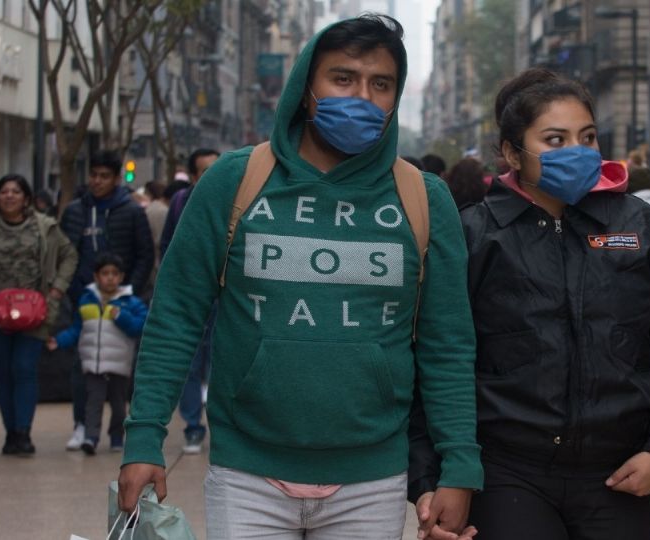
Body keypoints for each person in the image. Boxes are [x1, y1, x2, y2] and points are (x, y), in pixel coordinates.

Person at [117, 14, 482, 539]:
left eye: (380, 84)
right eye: (343, 78)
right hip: (246, 475)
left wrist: (459, 467)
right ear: (306, 89)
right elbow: (175, 317)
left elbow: (448, 346)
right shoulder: (233, 181)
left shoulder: (425, 199)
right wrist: (144, 438)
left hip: (370, 480)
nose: (362, 96)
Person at [409, 68, 650, 540]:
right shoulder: (476, 236)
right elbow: (435, 356)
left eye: (587, 137)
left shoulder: (643, 228)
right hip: (508, 474)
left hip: (619, 473)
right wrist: (432, 477)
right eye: (555, 139)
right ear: (513, 153)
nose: (577, 151)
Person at [0, 174, 77, 455]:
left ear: (26, 197)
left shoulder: (45, 227)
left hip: (35, 312)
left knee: (24, 369)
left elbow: (68, 255)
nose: (9, 196)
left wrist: (56, 291)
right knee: (4, 372)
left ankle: (23, 431)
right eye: (4, 192)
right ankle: (10, 432)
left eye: (15, 191)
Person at [60, 149, 154, 451]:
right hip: (85, 301)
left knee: (119, 373)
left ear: (116, 179)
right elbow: (66, 255)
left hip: (121, 303)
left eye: (104, 176)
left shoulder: (132, 211)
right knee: (83, 367)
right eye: (93, 175)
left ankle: (117, 431)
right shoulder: (75, 211)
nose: (97, 181)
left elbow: (145, 255)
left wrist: (129, 292)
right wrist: (77, 292)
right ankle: (82, 426)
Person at [47, 253, 148, 455]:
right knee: (93, 402)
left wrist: (121, 317)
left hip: (119, 365)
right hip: (93, 364)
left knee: (119, 404)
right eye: (105, 273)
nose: (109, 278)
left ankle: (117, 437)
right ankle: (91, 437)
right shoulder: (86, 301)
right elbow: (77, 329)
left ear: (121, 277)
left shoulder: (130, 302)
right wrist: (59, 340)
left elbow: (141, 327)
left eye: (114, 274)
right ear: (96, 276)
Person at [156, 148, 221, 454]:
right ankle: (193, 426)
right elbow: (167, 247)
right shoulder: (181, 203)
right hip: (193, 298)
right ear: (193, 177)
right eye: (206, 170)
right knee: (191, 366)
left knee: (224, 363)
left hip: (228, 298)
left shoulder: (244, 199)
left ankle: (223, 427)